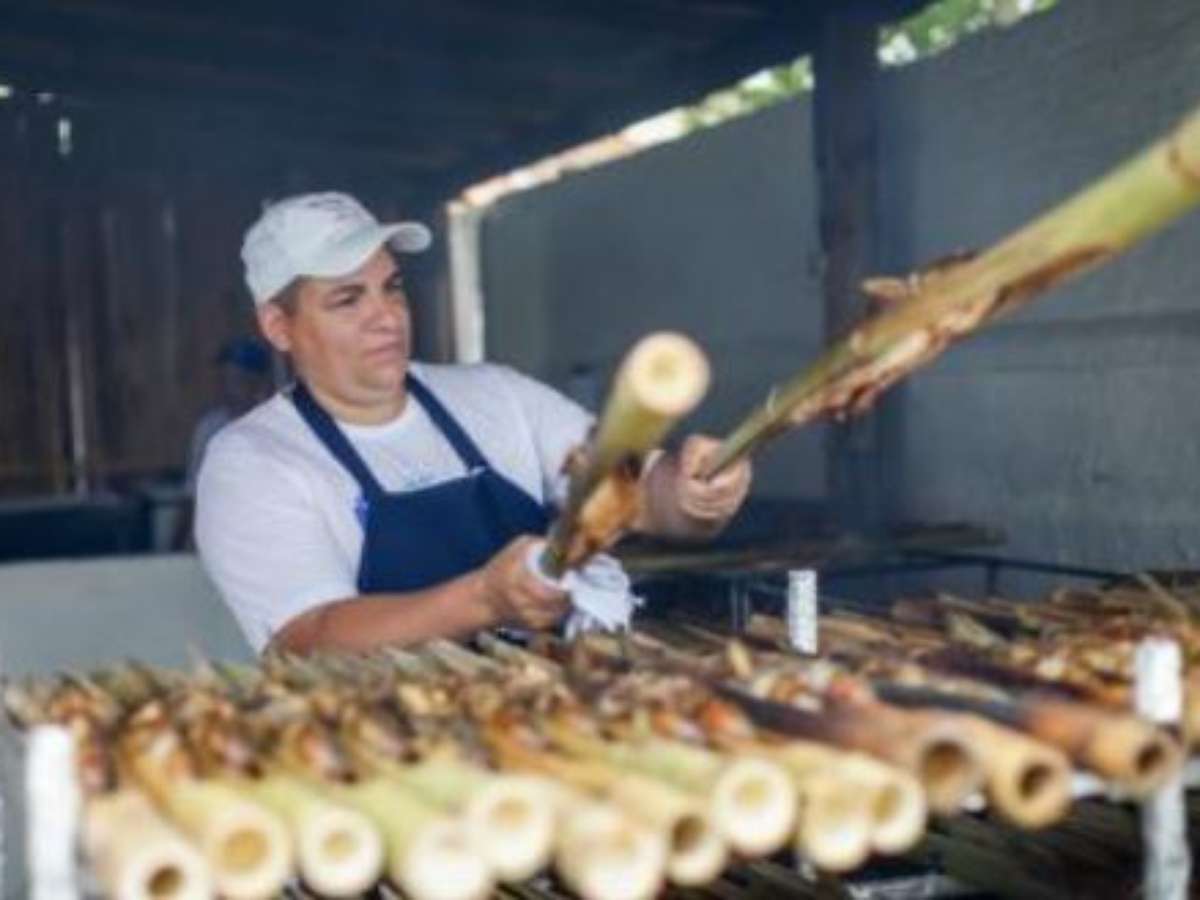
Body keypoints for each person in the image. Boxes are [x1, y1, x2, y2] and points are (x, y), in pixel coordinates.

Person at [195, 192, 752, 654]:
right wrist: (484, 599)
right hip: (393, 736)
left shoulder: (496, 396)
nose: (386, 317)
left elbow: (626, 492)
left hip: (560, 705)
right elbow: (310, 639)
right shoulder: (253, 461)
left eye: (392, 287)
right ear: (279, 326)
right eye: (347, 299)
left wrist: (689, 493)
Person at [171, 336, 272, 550]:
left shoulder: (275, 427)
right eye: (224, 377)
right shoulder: (209, 428)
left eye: (236, 378)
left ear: (257, 382)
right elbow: (193, 493)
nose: (227, 385)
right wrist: (173, 548)